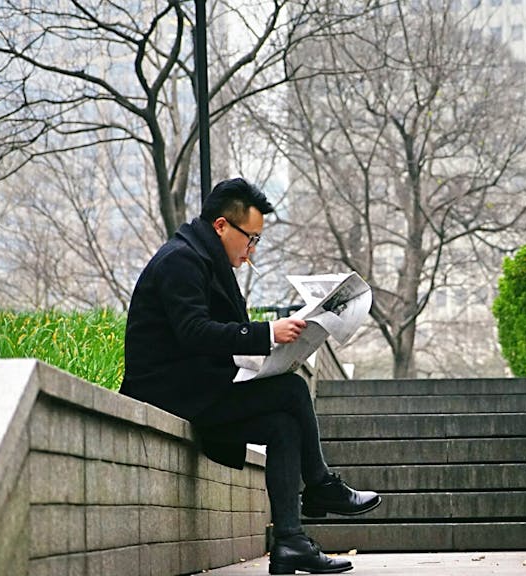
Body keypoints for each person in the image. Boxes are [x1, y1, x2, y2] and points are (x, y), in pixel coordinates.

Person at [120, 177, 380, 575]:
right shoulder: (180, 260)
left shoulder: (206, 261)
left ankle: (290, 543)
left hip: (198, 388)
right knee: (292, 390)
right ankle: (321, 485)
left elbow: (216, 338)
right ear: (222, 226)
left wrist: (280, 347)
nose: (252, 250)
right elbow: (193, 331)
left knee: (282, 426)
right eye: (250, 238)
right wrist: (265, 334)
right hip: (170, 392)